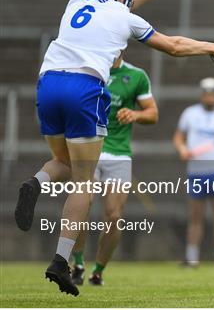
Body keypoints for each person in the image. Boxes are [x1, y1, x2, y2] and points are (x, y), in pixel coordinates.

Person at [14, 0, 214, 296]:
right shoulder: (126, 17)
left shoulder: (75, 2)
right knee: (83, 181)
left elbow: (118, 7)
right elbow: (173, 46)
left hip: (47, 83)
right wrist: (211, 47)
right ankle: (60, 261)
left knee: (62, 163)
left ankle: (35, 182)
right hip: (84, 87)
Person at [70, 52, 158, 286]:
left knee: (114, 215)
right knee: (82, 205)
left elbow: (153, 114)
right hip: (88, 149)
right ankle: (77, 262)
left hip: (119, 154)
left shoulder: (136, 76)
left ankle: (98, 270)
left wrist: (136, 114)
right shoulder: (87, 71)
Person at [172, 78, 214, 267]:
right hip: (196, 171)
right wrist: (182, 149)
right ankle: (192, 257)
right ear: (202, 95)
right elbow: (178, 137)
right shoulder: (190, 114)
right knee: (195, 217)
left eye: (213, 94)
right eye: (206, 94)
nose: (210, 97)